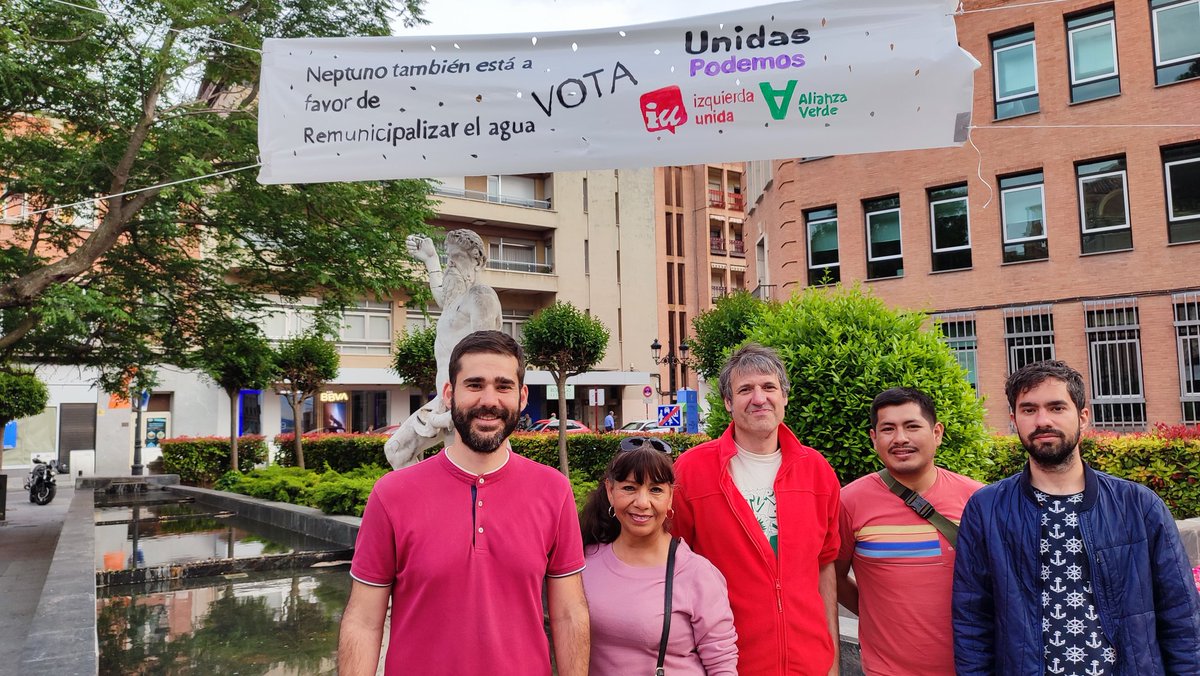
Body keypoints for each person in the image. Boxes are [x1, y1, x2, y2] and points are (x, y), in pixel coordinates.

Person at [339, 330, 590, 675]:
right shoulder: (392, 494)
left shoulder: (554, 491)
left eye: (503, 386)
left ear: (521, 396)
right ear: (448, 394)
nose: (489, 400)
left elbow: (568, 613)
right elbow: (364, 621)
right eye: (474, 385)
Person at [953, 360, 1200, 674]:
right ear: (1014, 420)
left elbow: (1181, 616)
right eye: (1029, 410)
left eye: (1057, 408)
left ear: (1083, 417)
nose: (1043, 420)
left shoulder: (1138, 506)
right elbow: (972, 620)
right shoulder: (986, 509)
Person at [672, 343, 842, 674]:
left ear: (785, 397)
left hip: (810, 664)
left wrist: (832, 661)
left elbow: (825, 567)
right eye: (745, 389)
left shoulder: (817, 471)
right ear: (727, 402)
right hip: (725, 664)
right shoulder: (691, 471)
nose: (759, 398)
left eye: (768, 387)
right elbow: (671, 566)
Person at [835, 387, 983, 675]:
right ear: (874, 438)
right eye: (888, 429)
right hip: (885, 670)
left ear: (937, 433)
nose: (900, 438)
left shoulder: (977, 499)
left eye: (912, 426)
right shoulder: (849, 502)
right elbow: (834, 577)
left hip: (970, 668)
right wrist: (879, 616)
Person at [580, 437, 738, 675]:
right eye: (629, 488)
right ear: (610, 492)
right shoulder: (583, 563)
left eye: (655, 490)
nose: (643, 503)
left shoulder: (697, 574)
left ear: (671, 497)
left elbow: (722, 663)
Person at [384, 229, 503, 469]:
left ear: (477, 260)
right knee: (396, 451)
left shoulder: (480, 296)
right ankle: (426, 505)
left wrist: (463, 409)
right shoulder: (453, 304)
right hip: (444, 401)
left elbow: (487, 357)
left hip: (468, 405)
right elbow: (442, 296)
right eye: (447, 257)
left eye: (455, 257)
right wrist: (430, 260)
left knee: (466, 475)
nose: (449, 264)